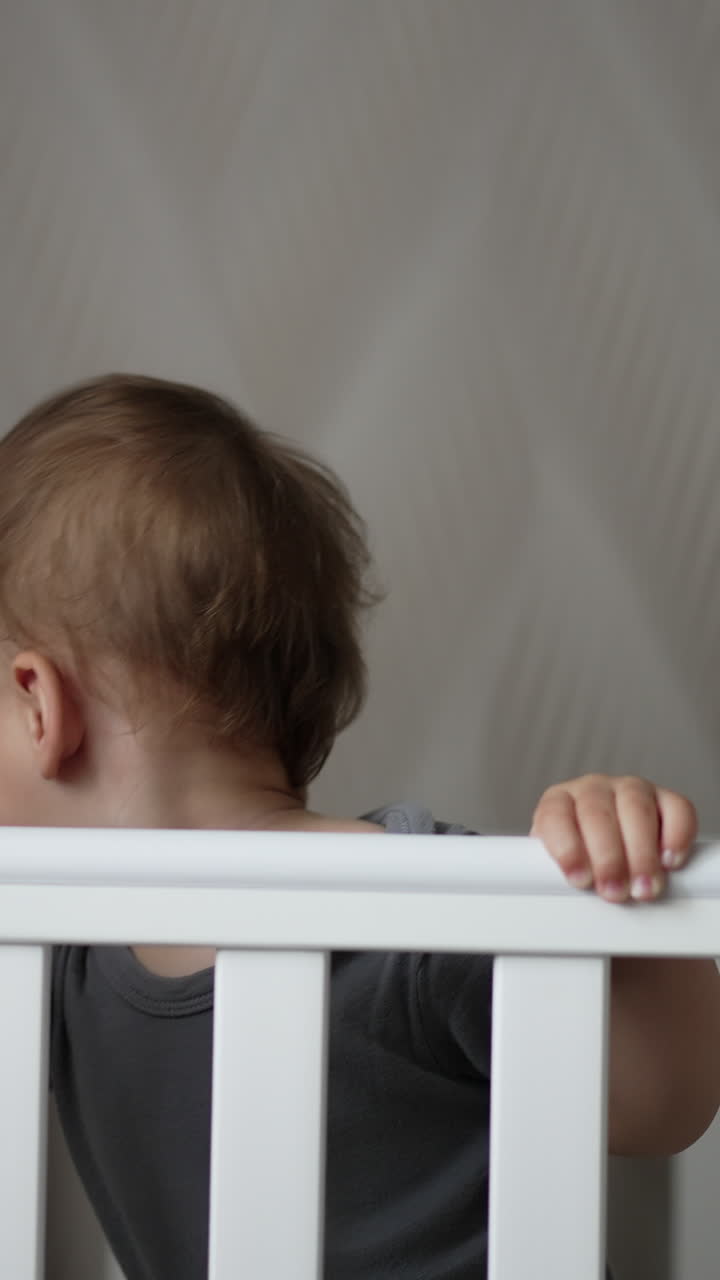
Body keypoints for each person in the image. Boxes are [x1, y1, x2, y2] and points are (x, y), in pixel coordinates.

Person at [0, 373, 717, 1279]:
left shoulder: (427, 917)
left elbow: (667, 1107)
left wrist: (624, 885)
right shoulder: (59, 962)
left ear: (38, 705)